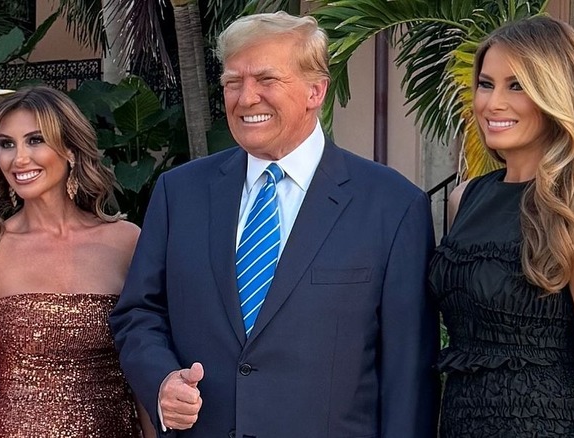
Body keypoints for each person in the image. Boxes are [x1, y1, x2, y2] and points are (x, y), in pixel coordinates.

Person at [110, 11, 440, 438]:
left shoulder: (392, 206)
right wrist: (161, 380)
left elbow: (408, 375)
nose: (246, 98)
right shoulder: (180, 193)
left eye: (266, 80)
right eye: (233, 82)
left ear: (315, 91)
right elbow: (140, 312)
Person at [430, 16, 574, 437]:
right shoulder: (464, 199)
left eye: (517, 86)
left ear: (557, 95)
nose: (492, 104)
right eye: (486, 84)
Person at [0, 86, 155, 438]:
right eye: (7, 144)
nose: (19, 159)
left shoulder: (127, 241)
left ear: (71, 150)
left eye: (35, 140)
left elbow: (146, 370)